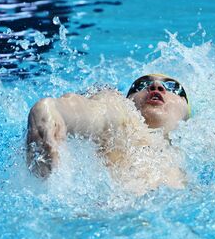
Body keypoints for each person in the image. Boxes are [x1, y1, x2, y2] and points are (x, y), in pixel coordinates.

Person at [26, 74, 191, 195]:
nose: (156, 86)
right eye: (141, 85)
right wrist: (51, 111)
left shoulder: (200, 153)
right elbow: (99, 113)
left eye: (172, 87)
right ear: (129, 101)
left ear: (187, 114)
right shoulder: (124, 122)